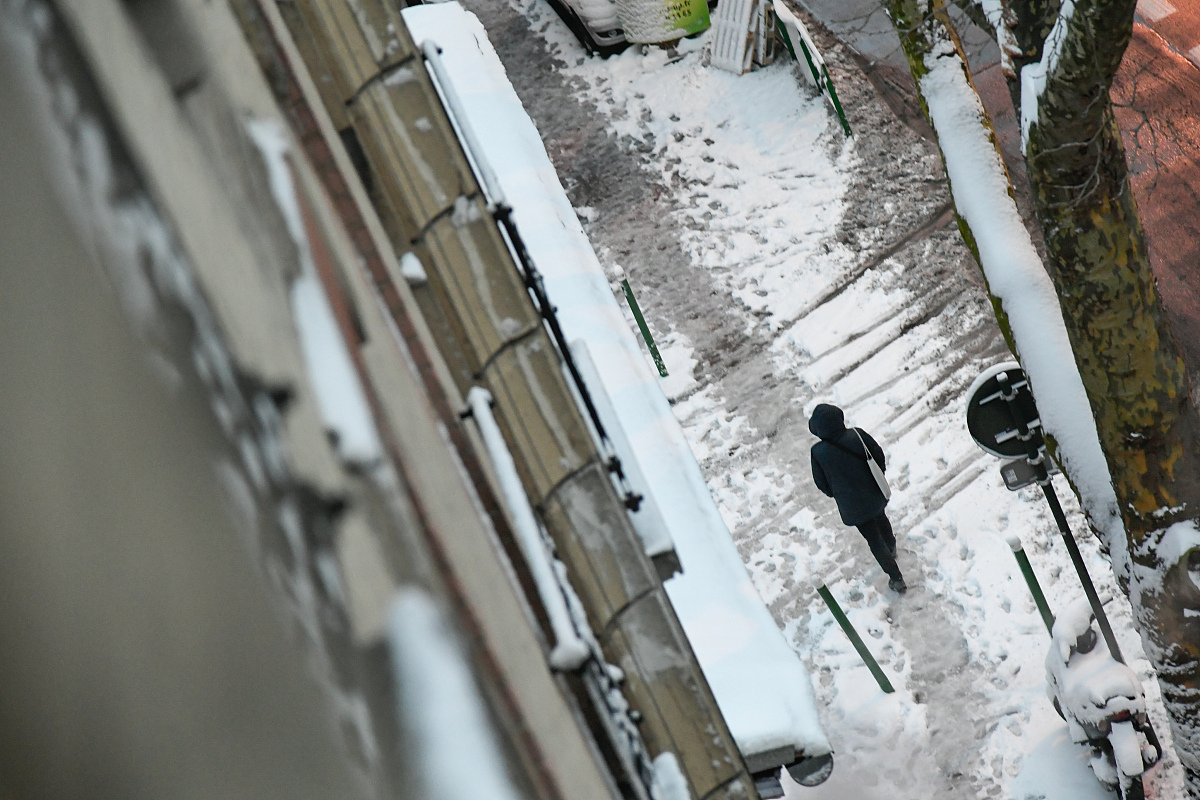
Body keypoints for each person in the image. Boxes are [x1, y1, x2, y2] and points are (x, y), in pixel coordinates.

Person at [808, 403, 906, 593]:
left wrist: (837, 493)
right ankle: (892, 547)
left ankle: (896, 578)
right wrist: (877, 477)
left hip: (852, 505)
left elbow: (821, 483)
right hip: (874, 493)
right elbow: (877, 455)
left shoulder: (818, 452)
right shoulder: (857, 435)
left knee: (873, 539)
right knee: (881, 517)